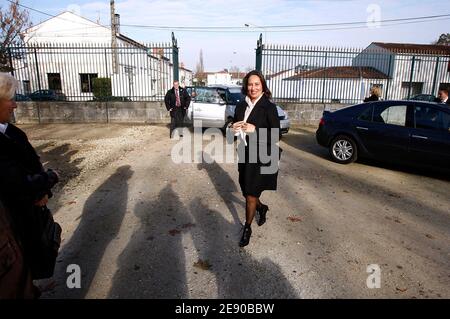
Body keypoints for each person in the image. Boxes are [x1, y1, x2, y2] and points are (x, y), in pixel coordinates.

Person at [0, 73, 60, 294]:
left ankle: (32, 284)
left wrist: (42, 191)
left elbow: (31, 166)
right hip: (12, 217)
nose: (15, 105)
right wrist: (51, 178)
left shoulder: (11, 132)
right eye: (11, 99)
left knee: (32, 255)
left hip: (28, 210)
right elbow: (17, 181)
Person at [231, 70, 281, 247]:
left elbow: (276, 136)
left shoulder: (269, 107)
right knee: (246, 191)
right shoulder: (240, 106)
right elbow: (234, 132)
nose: (253, 88)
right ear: (246, 86)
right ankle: (261, 207)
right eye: (250, 84)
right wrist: (232, 129)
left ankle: (247, 228)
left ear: (262, 86)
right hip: (244, 153)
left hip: (260, 155)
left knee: (251, 194)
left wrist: (255, 130)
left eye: (256, 84)